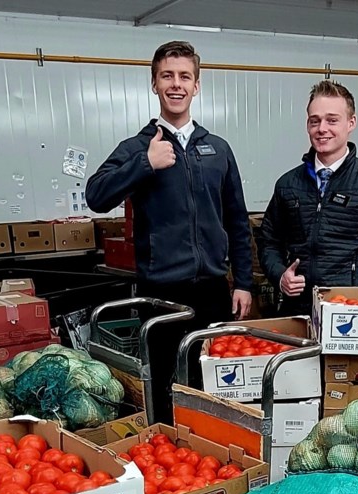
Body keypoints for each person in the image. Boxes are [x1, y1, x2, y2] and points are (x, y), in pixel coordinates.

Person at [87, 40, 253, 421]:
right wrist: (144, 163)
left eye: (184, 76)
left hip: (213, 290)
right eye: (167, 76)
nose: (176, 84)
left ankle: (216, 457)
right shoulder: (138, 147)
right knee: (164, 384)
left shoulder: (218, 149)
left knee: (213, 381)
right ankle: (171, 459)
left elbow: (237, 220)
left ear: (196, 85)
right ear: (154, 84)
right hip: (160, 294)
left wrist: (242, 281)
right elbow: (96, 195)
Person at [258, 80, 358, 316]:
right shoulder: (288, 185)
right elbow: (269, 242)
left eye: (332, 120)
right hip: (297, 309)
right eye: (314, 121)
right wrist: (279, 275)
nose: (321, 128)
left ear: (351, 123)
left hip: (352, 309)